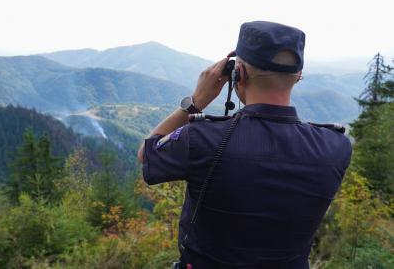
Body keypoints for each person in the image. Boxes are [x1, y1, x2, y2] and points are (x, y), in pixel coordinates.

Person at [137, 21, 352, 268]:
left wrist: (196, 101)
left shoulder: (201, 138)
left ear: (239, 72)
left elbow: (147, 153)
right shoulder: (335, 148)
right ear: (298, 75)